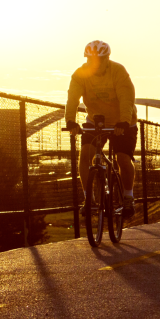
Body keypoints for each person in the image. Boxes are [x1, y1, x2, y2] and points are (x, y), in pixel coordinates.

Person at [65, 40, 138, 216]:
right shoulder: (80, 75)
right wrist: (70, 121)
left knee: (122, 158)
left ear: (107, 58)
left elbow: (126, 97)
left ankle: (128, 197)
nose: (95, 64)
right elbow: (73, 98)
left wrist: (124, 122)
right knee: (85, 155)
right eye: (90, 61)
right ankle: (88, 199)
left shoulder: (118, 71)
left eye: (99, 60)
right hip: (96, 120)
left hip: (123, 120)